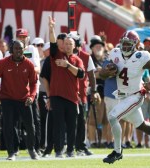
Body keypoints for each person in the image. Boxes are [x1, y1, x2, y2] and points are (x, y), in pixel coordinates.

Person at [99, 30, 150, 164]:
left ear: (136, 44)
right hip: (122, 96)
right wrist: (106, 71)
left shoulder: (141, 57)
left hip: (136, 95)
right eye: (124, 44)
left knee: (112, 117)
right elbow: (103, 75)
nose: (125, 47)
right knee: (141, 125)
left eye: (128, 44)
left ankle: (117, 152)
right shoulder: (115, 53)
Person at [0, 40, 39, 161]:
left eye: (21, 48)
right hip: (8, 99)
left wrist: (31, 97)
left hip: (24, 99)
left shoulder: (29, 64)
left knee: (30, 126)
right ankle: (11, 152)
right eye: (16, 48)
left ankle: (32, 150)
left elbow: (34, 84)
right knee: (8, 126)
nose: (18, 51)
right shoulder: (3, 63)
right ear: (11, 50)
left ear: (24, 50)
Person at [49, 16, 85, 158]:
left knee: (72, 126)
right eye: (66, 43)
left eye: (71, 44)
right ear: (62, 45)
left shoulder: (77, 60)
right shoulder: (57, 54)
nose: (68, 46)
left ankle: (70, 150)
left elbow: (81, 74)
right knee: (58, 125)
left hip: (71, 97)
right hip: (57, 95)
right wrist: (51, 28)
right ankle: (58, 150)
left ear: (75, 46)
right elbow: (52, 42)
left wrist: (68, 65)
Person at [67, 32, 98, 156]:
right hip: (67, 94)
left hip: (82, 94)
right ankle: (68, 146)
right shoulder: (63, 56)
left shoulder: (86, 56)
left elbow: (91, 75)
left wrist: (94, 91)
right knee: (68, 122)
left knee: (81, 121)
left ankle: (81, 146)